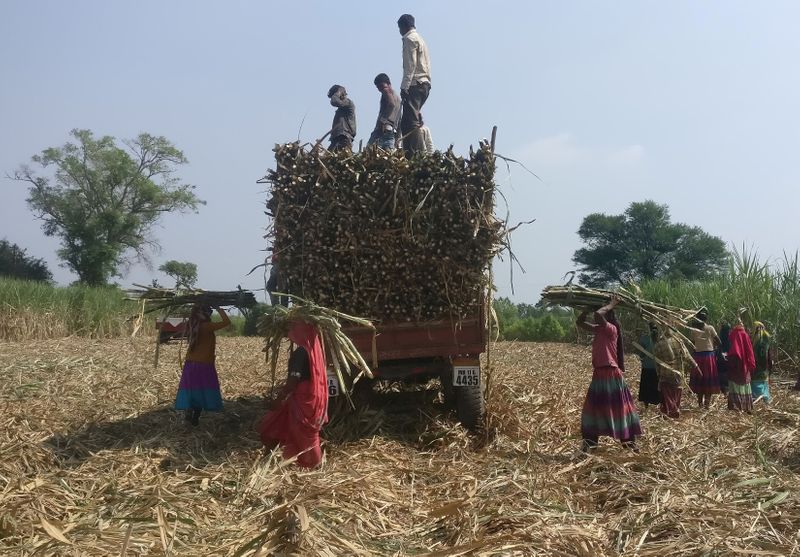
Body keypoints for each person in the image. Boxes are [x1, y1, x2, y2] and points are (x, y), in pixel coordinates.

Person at [259, 321, 328, 468]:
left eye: (293, 329)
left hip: (302, 400)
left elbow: (292, 382)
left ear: (300, 332)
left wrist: (279, 399)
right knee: (278, 425)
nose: (290, 333)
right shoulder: (315, 351)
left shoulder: (300, 353)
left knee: (305, 435)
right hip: (312, 398)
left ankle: (315, 465)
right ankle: (267, 461)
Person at [576, 296, 641, 451]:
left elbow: (598, 315)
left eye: (605, 313)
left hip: (611, 374)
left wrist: (611, 304)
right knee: (592, 410)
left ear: (608, 316)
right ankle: (590, 444)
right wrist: (586, 309)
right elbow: (580, 323)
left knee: (619, 410)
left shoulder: (612, 329)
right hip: (599, 375)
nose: (600, 317)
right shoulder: (599, 329)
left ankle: (629, 444)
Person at [175, 304, 231, 425]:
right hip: (204, 364)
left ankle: (190, 413)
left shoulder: (192, 325)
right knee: (202, 390)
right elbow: (226, 322)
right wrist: (219, 308)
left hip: (190, 364)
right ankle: (195, 416)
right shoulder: (207, 326)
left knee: (192, 389)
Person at [397, 14, 431, 155]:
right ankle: (408, 152)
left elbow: (410, 65)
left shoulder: (409, 39)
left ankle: (417, 154)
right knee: (406, 121)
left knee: (410, 122)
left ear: (403, 26)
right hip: (425, 83)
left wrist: (404, 86)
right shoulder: (420, 39)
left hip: (415, 83)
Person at [654, 326, 697, 419]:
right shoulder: (678, 341)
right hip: (678, 372)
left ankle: (672, 411)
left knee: (667, 395)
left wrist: (658, 373)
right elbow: (687, 356)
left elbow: (657, 361)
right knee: (677, 393)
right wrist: (695, 366)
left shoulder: (659, 344)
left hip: (665, 374)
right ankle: (673, 410)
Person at [689, 308, 721, 408]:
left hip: (698, 357)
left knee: (700, 379)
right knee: (708, 380)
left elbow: (692, 344)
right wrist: (714, 347)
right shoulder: (710, 328)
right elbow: (719, 341)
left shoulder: (693, 330)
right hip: (708, 357)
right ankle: (707, 404)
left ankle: (700, 404)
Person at [727, 315, 756, 412]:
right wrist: (751, 363)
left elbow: (729, 349)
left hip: (733, 364)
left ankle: (736, 406)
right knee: (744, 384)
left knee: (734, 384)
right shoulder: (745, 335)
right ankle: (745, 406)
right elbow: (749, 351)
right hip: (744, 366)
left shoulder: (732, 334)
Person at [368, 73, 401, 150]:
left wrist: (382, 121)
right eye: (378, 87)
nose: (380, 89)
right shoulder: (398, 98)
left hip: (384, 128)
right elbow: (399, 118)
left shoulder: (386, 91)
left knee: (369, 151)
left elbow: (391, 104)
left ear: (389, 84)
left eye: (381, 86)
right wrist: (398, 137)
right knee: (387, 154)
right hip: (392, 131)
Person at [636, 322, 661, 409]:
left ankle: (646, 405)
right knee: (656, 386)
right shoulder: (661, 339)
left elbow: (641, 354)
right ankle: (658, 403)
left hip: (647, 367)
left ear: (648, 329)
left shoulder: (644, 339)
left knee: (646, 386)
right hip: (657, 368)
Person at [327, 85, 356, 152]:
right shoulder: (340, 110)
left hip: (344, 138)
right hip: (336, 139)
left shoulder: (348, 103)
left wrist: (338, 92)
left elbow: (334, 101)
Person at [751, 321, 774, 404]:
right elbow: (769, 356)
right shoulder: (766, 338)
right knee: (764, 384)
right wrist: (770, 369)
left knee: (756, 384)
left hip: (755, 369)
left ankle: (756, 399)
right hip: (764, 369)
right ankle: (765, 400)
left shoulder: (753, 339)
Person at [716, 323, 731, 394]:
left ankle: (723, 389)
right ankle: (726, 389)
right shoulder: (730, 338)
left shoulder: (720, 337)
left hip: (721, 359)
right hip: (728, 359)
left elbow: (719, 346)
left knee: (721, 373)